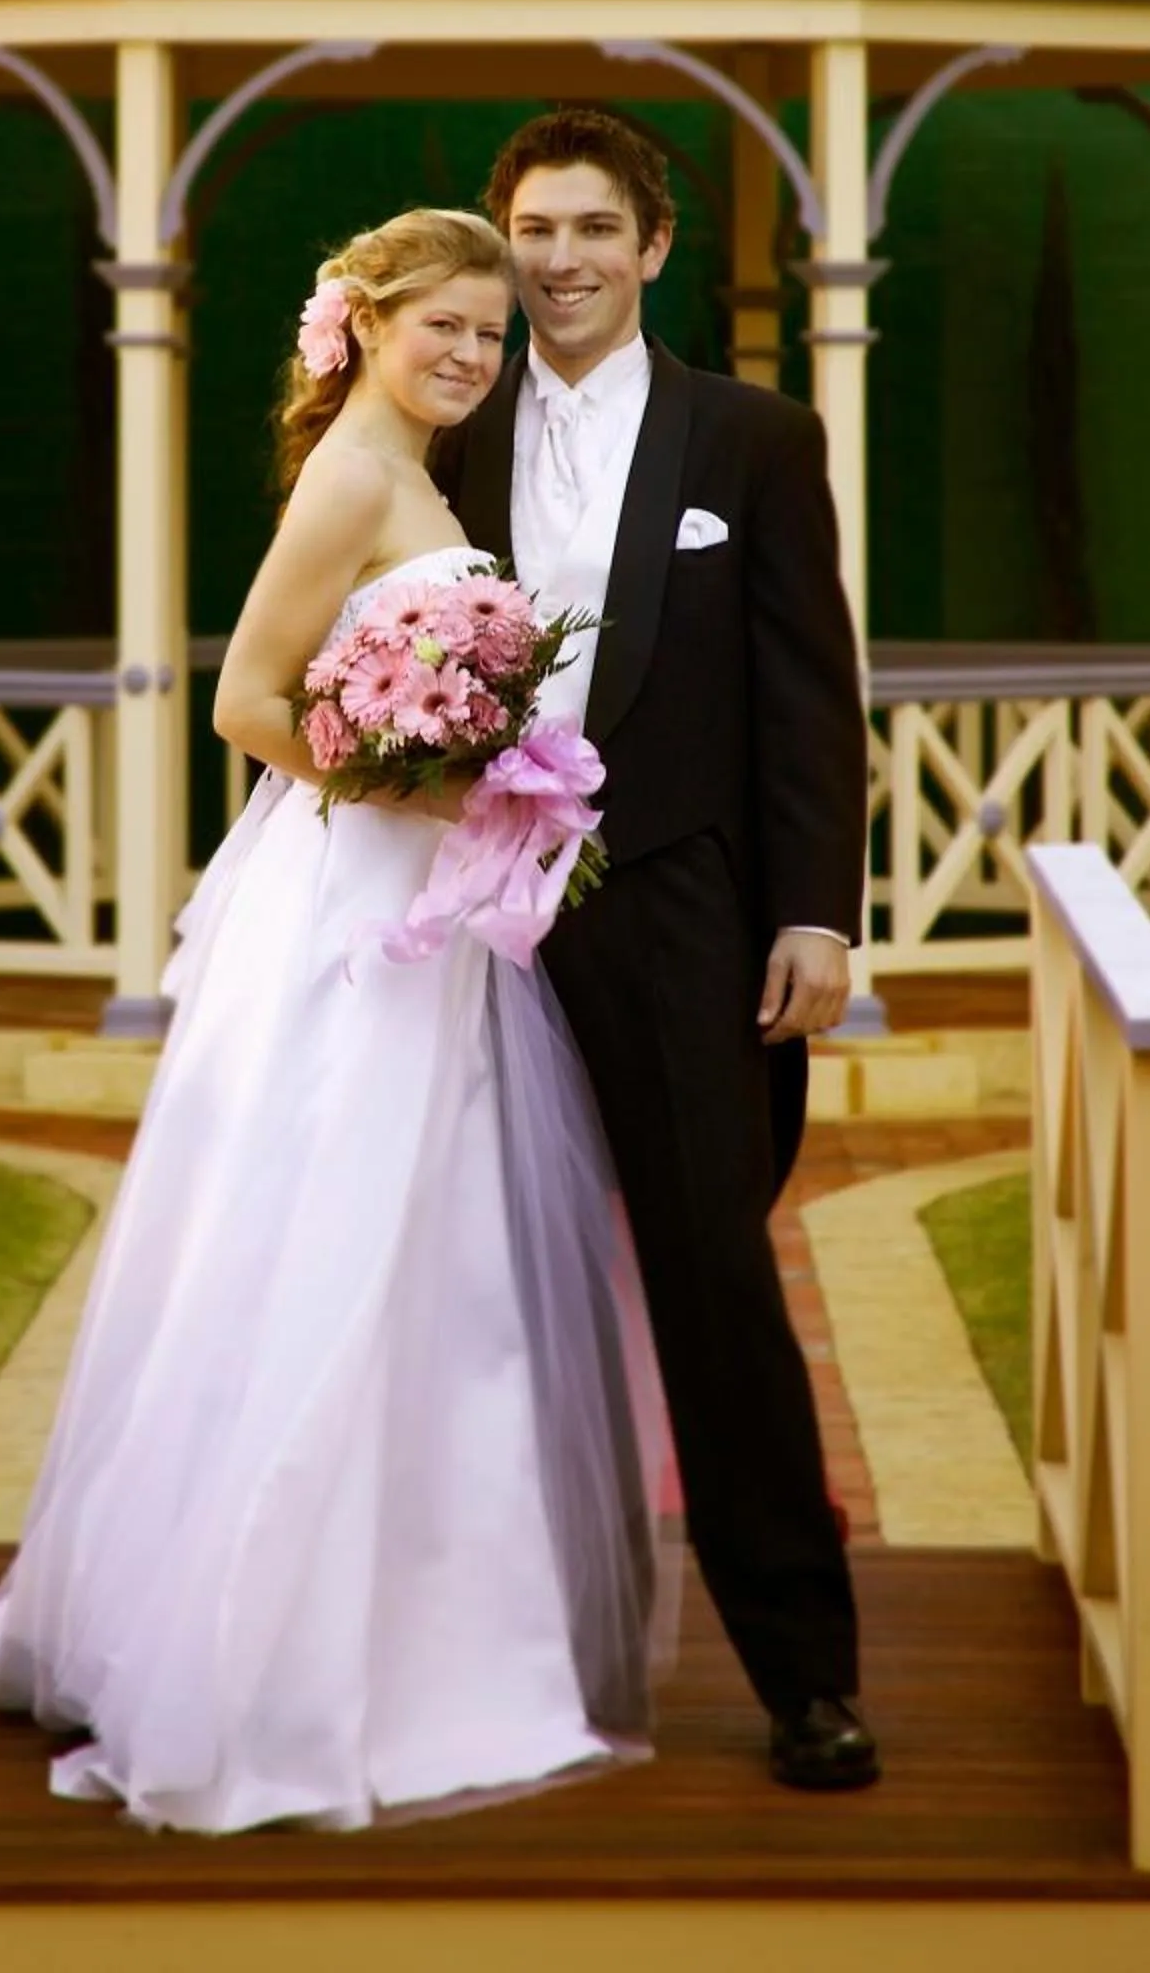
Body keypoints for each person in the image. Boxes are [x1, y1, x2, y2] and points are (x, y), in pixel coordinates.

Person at [0, 205, 665, 1833]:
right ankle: (264, 1658)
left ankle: (435, 1636)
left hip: (420, 904)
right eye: (446, 327)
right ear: (361, 317)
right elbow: (244, 701)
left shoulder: (417, 476)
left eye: (493, 335)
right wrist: (425, 774)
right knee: (323, 1229)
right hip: (353, 908)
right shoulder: (357, 475)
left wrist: (491, 780)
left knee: (432, 1253)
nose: (474, 357)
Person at [431, 108, 878, 1793]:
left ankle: (804, 1673)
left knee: (714, 1281)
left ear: (654, 247)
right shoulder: (438, 430)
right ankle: (466, 1644)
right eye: (534, 228)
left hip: (682, 912)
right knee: (459, 1286)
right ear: (499, 239)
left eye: (594, 229)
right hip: (469, 921)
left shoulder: (752, 440)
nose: (560, 260)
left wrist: (816, 909)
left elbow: (804, 694)